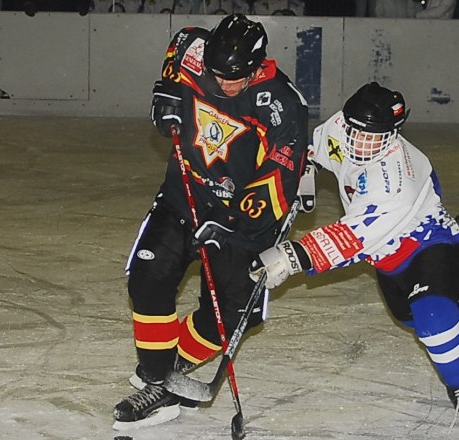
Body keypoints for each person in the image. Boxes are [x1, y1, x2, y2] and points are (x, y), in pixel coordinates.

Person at [248, 82, 459, 429]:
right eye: (355, 131)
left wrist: (291, 256)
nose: (360, 143)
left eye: (373, 137)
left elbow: (352, 236)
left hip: (429, 243)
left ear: (393, 134)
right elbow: (315, 149)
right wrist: (307, 171)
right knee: (407, 318)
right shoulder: (342, 126)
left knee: (432, 317)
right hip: (386, 257)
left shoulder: (394, 179)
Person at [112, 13, 310, 431]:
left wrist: (233, 220)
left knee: (232, 315)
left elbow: (282, 175)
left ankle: (171, 368)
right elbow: (180, 44)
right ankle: (156, 381)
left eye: (235, 77)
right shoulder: (194, 51)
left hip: (243, 220)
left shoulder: (281, 103)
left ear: (258, 65)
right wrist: (165, 91)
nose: (224, 84)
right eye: (217, 74)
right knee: (148, 279)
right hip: (184, 198)